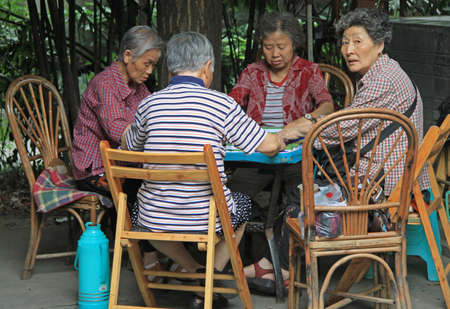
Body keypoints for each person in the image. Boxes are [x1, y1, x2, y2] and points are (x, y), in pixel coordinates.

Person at [122, 31, 284, 308]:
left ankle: (194, 273)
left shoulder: (148, 104)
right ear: (207, 67)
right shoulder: (220, 104)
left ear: (170, 68)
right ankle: (208, 278)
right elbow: (267, 145)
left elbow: (128, 145)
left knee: (140, 216)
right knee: (242, 207)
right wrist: (280, 138)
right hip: (204, 217)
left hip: (153, 218)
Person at [281, 7, 431, 297]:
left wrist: (300, 127)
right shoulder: (385, 71)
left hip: (376, 196)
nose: (348, 49)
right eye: (345, 42)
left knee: (295, 187)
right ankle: (278, 268)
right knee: (299, 183)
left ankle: (282, 271)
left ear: (380, 44)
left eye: (358, 41)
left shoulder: (383, 79)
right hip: (387, 183)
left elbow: (338, 129)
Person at [227, 11, 334, 292]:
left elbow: (326, 106)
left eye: (281, 47)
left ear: (294, 44)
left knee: (298, 197)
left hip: (294, 152)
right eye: (268, 47)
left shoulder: (308, 71)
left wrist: (306, 121)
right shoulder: (252, 72)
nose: (274, 54)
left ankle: (284, 265)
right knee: (232, 195)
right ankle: (223, 263)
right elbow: (233, 102)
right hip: (258, 150)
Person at [71, 25, 164, 274]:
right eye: (146, 63)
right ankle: (148, 255)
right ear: (127, 56)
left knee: (153, 182)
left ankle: (155, 251)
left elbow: (151, 118)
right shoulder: (106, 84)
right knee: (136, 188)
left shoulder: (138, 87)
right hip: (94, 168)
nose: (149, 71)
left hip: (121, 163)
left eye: (153, 65)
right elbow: (117, 132)